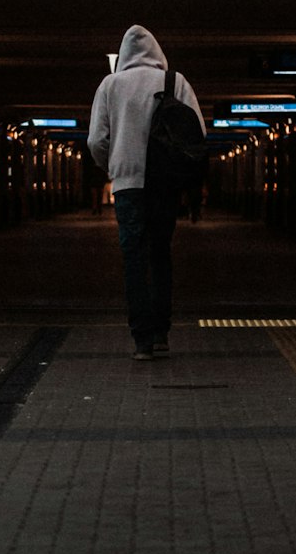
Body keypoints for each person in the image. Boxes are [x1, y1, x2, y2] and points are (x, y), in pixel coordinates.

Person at [87, 25, 206, 361]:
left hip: (127, 186)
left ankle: (141, 340)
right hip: (164, 184)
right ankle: (161, 333)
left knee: (134, 260)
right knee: (161, 255)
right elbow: (197, 133)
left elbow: (96, 140)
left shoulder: (110, 85)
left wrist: (113, 166)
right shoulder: (175, 82)